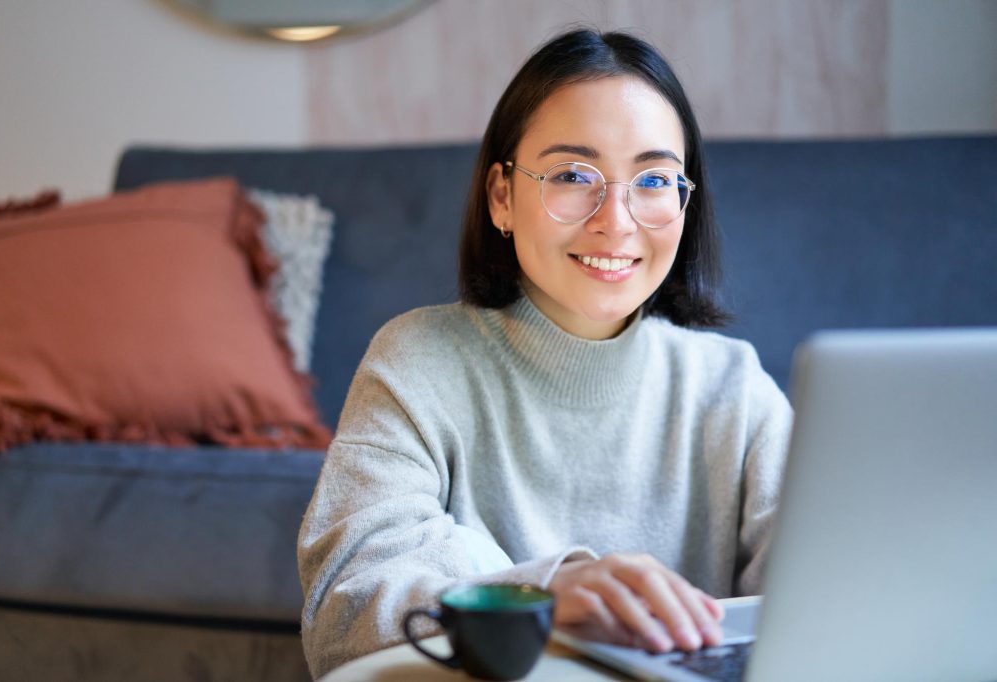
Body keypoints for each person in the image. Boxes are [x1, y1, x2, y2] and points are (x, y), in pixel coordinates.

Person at [297, 28, 792, 679]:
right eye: (571, 175)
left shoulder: (734, 387)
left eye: (652, 179)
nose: (615, 220)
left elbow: (819, 594)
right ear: (501, 197)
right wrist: (542, 595)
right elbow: (344, 608)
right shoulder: (414, 361)